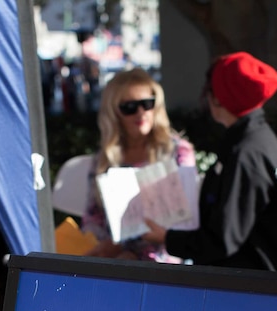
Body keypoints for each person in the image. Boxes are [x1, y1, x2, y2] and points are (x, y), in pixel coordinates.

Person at [142, 52, 277, 273]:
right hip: (271, 278)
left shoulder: (245, 154)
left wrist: (167, 238)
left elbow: (222, 241)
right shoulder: (260, 138)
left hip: (257, 290)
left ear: (218, 98)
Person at [80, 67, 195, 262]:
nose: (141, 113)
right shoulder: (105, 158)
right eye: (129, 107)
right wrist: (112, 248)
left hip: (167, 256)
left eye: (147, 104)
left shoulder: (178, 151)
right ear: (114, 112)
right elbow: (93, 218)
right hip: (117, 259)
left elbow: (190, 220)